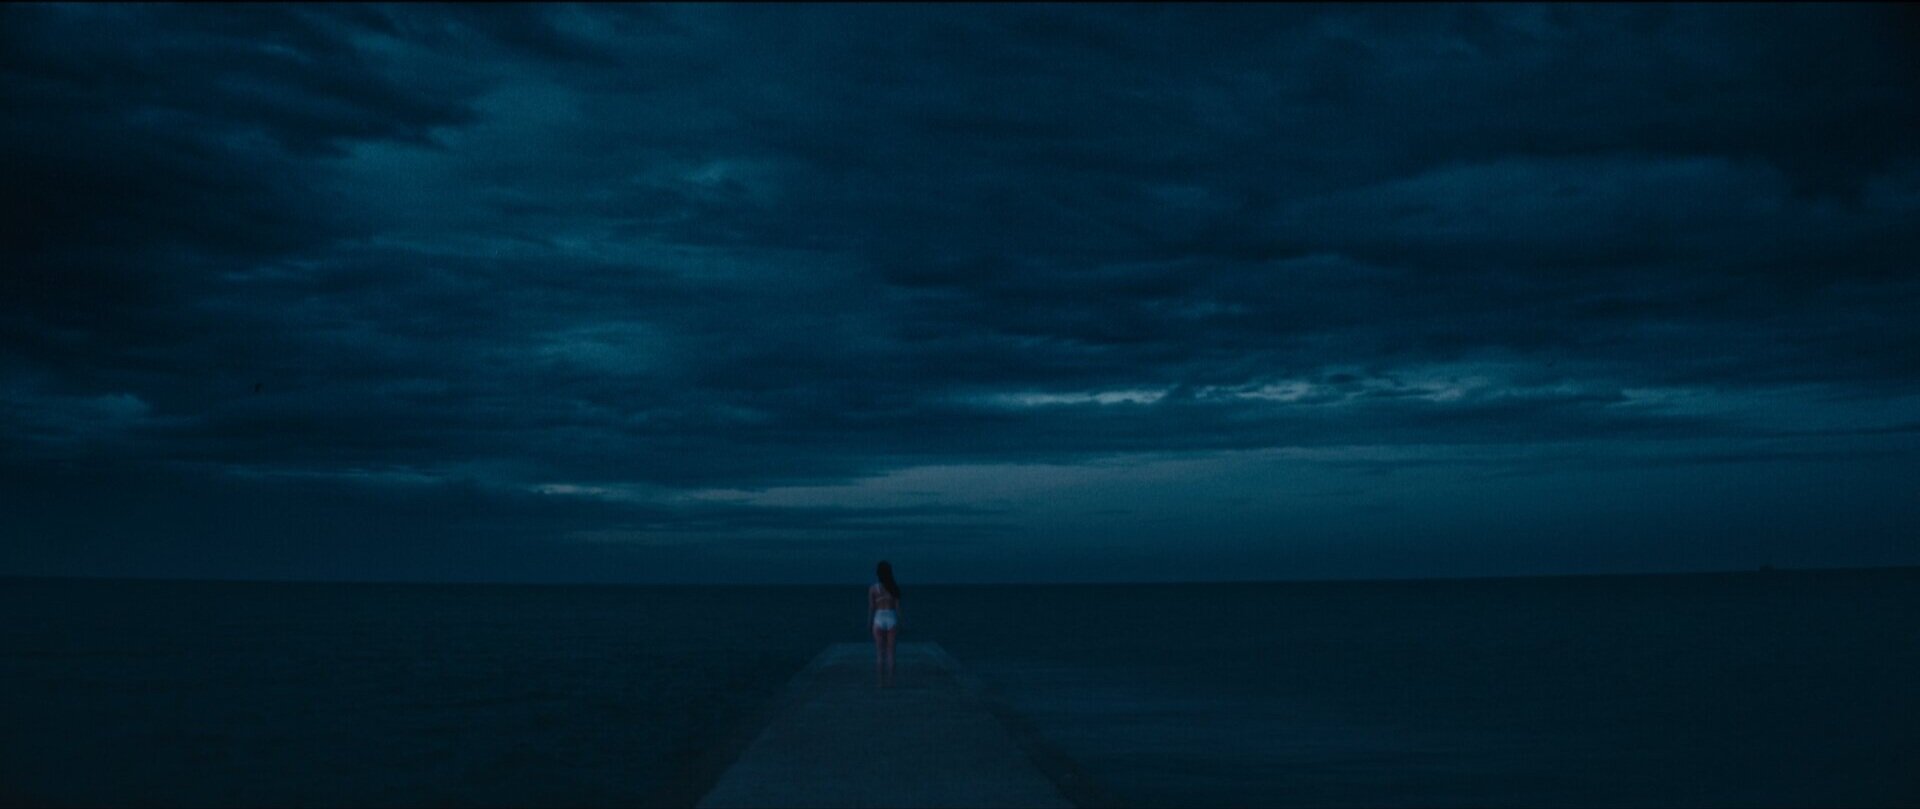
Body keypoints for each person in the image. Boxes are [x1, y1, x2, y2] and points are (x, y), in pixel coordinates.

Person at [869, 560, 902, 687]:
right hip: (892, 617)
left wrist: (869, 622)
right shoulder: (894, 588)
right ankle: (891, 682)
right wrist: (901, 622)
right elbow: (898, 608)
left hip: (878, 618)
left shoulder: (873, 589)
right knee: (891, 654)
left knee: (879, 653)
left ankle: (880, 683)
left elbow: (871, 607)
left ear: (878, 573)